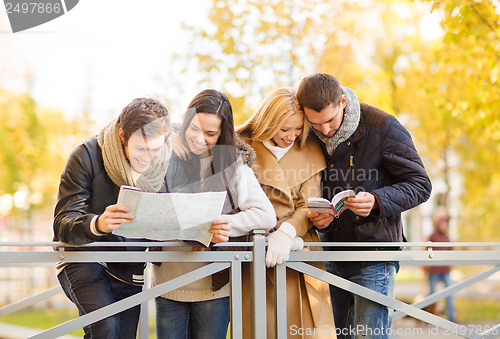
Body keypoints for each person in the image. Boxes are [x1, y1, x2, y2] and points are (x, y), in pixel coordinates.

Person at [297, 73, 432, 339]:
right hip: (330, 254)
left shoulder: (383, 127)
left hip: (375, 257)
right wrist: (322, 218)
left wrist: (377, 200)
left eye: (330, 120)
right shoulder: (307, 134)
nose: (325, 130)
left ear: (343, 102)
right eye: (315, 123)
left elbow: (420, 184)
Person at [53, 98, 188, 338]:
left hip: (130, 267)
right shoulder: (85, 155)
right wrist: (98, 223)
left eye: (155, 149)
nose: (147, 158)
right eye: (140, 149)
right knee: (105, 328)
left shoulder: (168, 163)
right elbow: (63, 221)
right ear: (122, 135)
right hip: (85, 260)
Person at [151, 89, 276, 339]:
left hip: (213, 286)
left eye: (210, 134)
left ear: (222, 135)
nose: (199, 139)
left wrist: (225, 223)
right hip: (167, 281)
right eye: (194, 129)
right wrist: (166, 137)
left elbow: (266, 215)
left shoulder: (234, 168)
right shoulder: (162, 156)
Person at [237, 87, 336, 338]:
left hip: (298, 245)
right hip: (253, 247)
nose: (292, 135)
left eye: (299, 128)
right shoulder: (241, 147)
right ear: (267, 121)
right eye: (284, 128)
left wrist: (286, 232)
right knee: (259, 325)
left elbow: (307, 204)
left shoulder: (310, 150)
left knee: (304, 327)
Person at [425, 211, 455, 322]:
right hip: (434, 271)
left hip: (445, 270)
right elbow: (426, 251)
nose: (444, 225)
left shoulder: (447, 236)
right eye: (442, 222)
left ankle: (452, 318)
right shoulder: (432, 236)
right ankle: (428, 318)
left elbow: (451, 250)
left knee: (450, 293)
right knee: (432, 295)